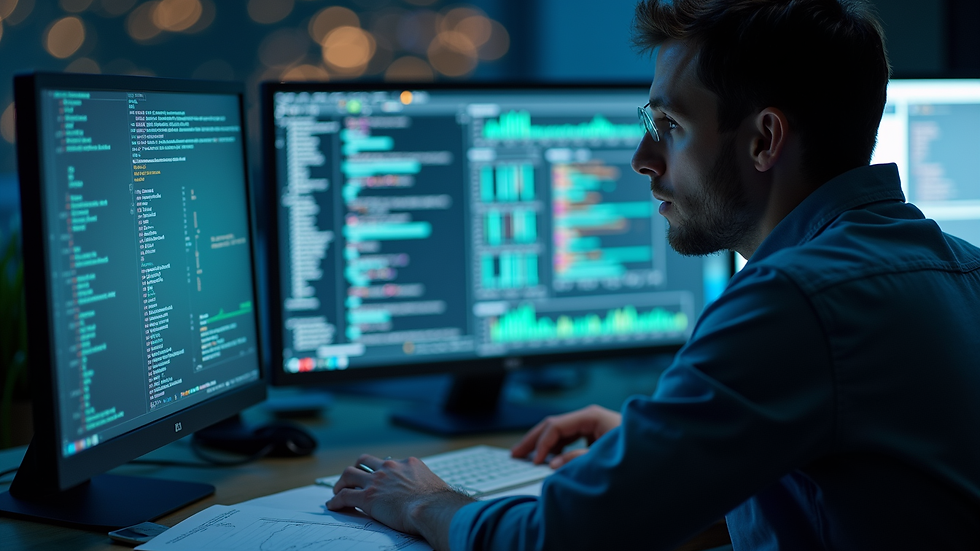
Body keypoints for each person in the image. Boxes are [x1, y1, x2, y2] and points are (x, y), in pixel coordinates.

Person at [327, 0, 980, 548]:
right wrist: (672, 453)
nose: (642, 159)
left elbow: (559, 541)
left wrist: (422, 502)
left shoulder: (794, 300)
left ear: (763, 140)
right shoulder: (959, 265)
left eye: (669, 125)